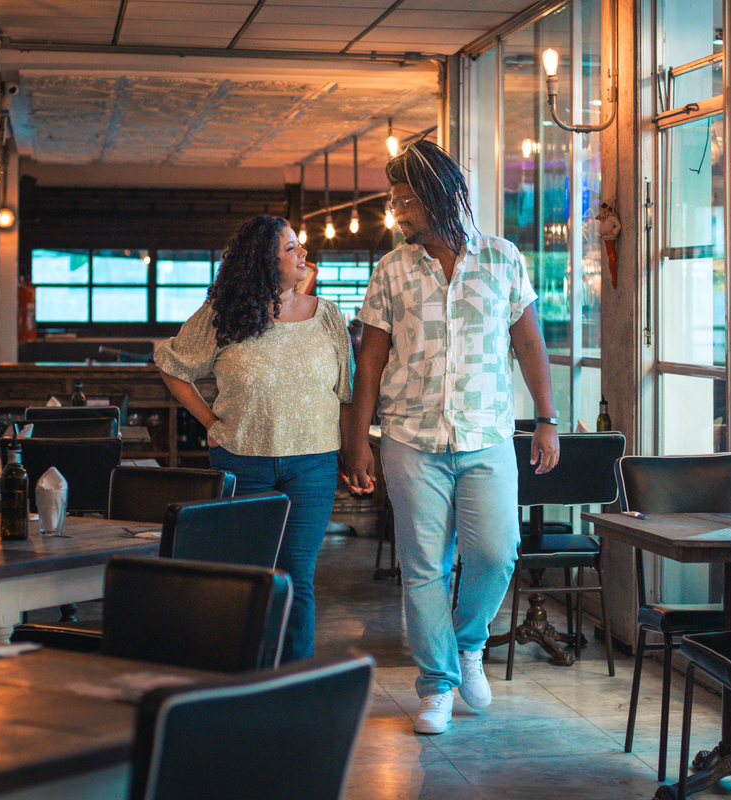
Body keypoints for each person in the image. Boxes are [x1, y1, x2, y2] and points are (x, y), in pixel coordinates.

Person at [343, 139, 559, 736]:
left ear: (442, 196)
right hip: (410, 437)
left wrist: (546, 417)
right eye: (395, 201)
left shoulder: (503, 259)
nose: (400, 213)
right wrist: (358, 441)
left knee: (496, 552)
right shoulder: (392, 270)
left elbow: (529, 344)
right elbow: (370, 362)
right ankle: (437, 684)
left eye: (407, 200)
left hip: (487, 432)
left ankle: (469, 645)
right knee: (423, 566)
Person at [154, 214, 354, 663]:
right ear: (263, 261)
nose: (303, 254)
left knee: (298, 576)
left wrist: (355, 452)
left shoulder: (328, 316)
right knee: (250, 573)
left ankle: (292, 680)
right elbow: (173, 366)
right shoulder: (223, 316)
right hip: (242, 462)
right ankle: (245, 672)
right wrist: (211, 421)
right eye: (291, 248)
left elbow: (346, 392)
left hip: (313, 464)